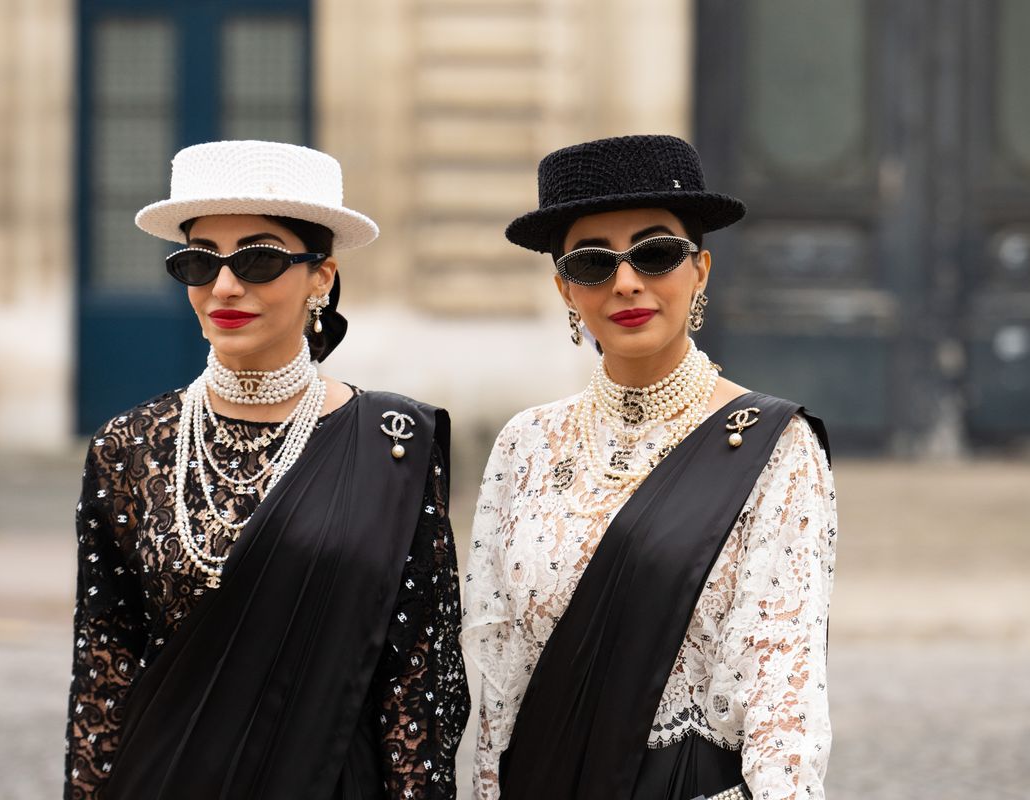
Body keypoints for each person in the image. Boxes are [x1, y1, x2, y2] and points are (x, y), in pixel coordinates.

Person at [64, 140, 469, 799]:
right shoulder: (126, 447)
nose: (225, 286)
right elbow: (102, 681)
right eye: (200, 262)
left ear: (322, 275)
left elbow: (416, 691)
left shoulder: (397, 445)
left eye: (258, 258)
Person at [461, 135, 838, 800]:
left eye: (655, 253)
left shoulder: (775, 446)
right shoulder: (525, 444)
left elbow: (786, 701)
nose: (626, 281)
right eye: (591, 262)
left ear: (701, 269)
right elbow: (500, 691)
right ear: (564, 289)